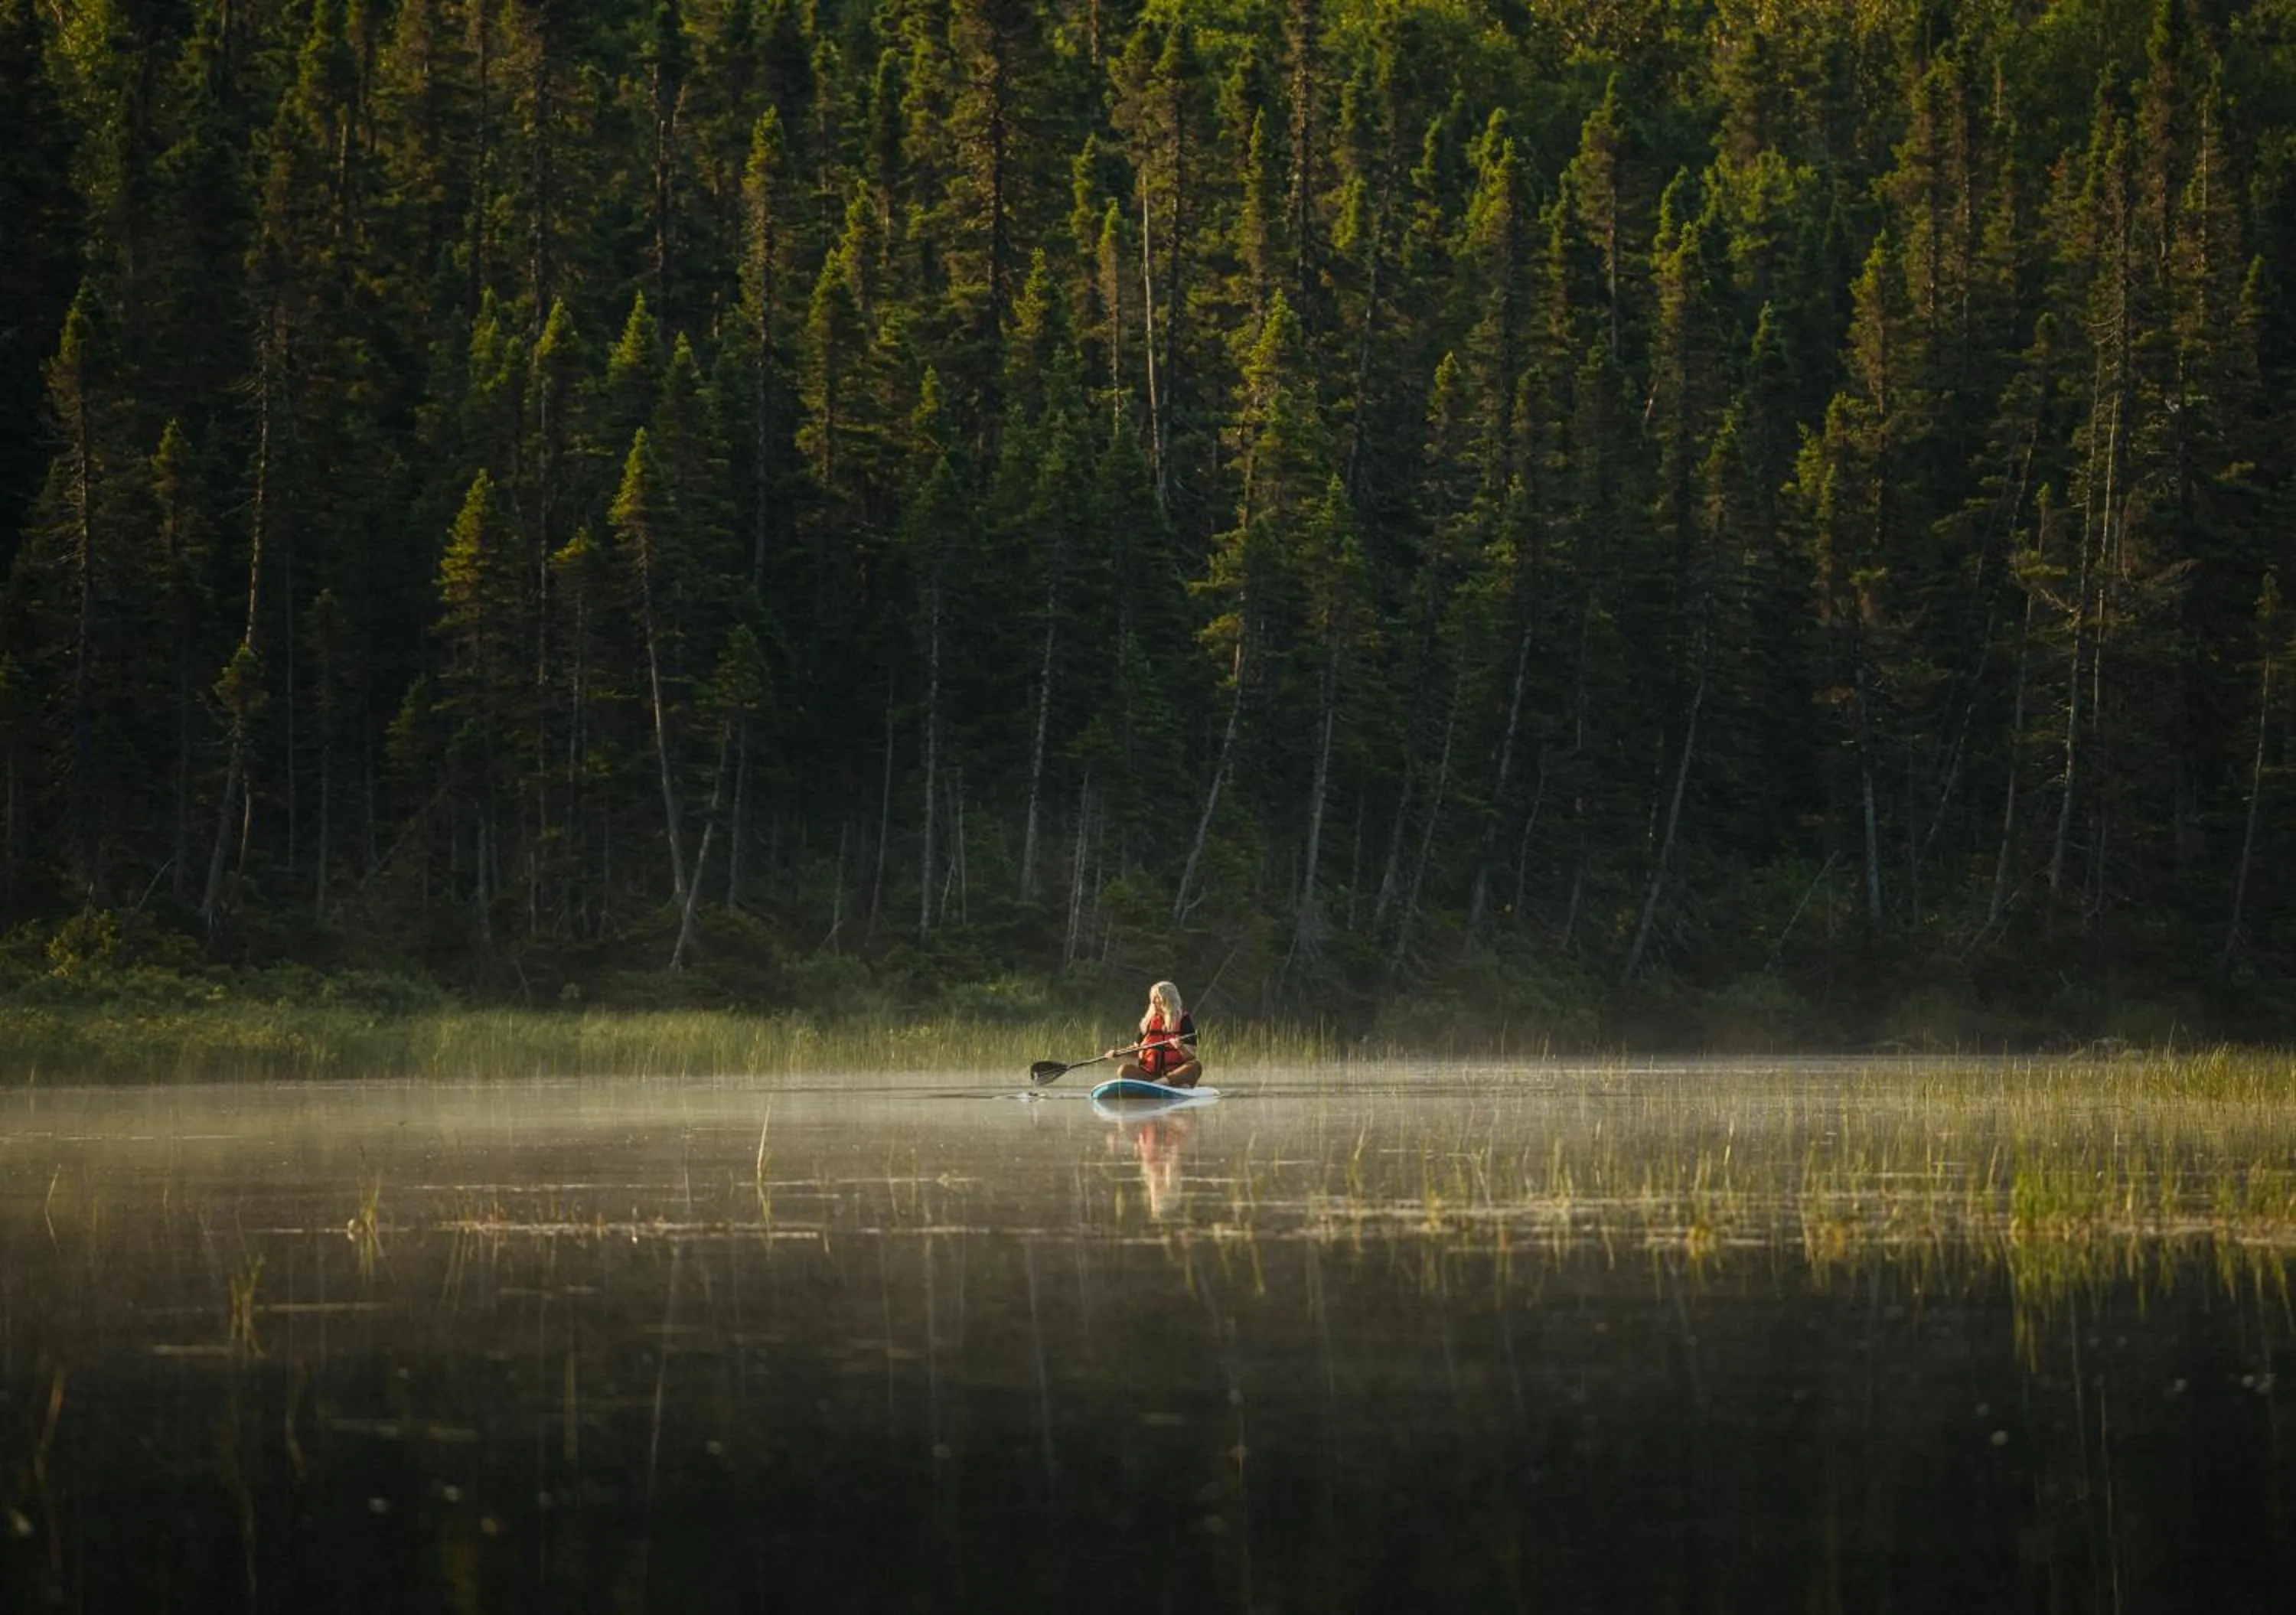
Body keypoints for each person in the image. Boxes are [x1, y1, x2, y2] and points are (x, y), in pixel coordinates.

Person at [1110, 980, 1201, 1088]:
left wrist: (1180, 1047)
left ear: (1167, 1000)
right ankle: (1154, 1085)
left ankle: (1164, 1083)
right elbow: (1135, 1050)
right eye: (1152, 997)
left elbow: (1191, 1057)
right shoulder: (1148, 1022)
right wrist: (1119, 1053)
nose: (1152, 1002)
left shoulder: (1184, 1020)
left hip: (1173, 1076)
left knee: (1195, 1066)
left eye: (1156, 997)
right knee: (1124, 1070)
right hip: (1149, 1077)